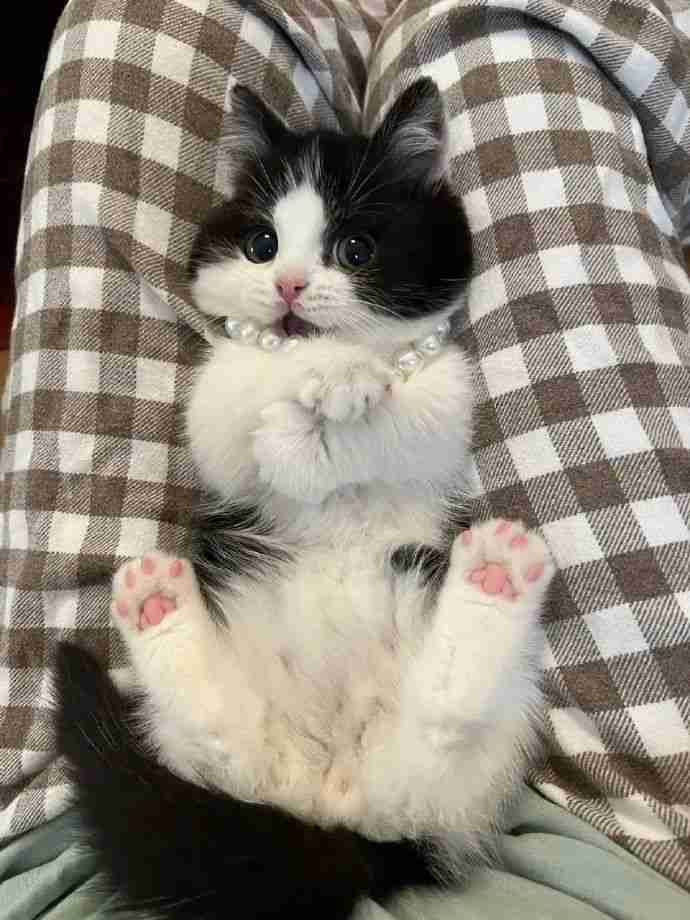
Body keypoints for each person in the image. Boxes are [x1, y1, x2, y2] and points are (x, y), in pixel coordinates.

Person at [1, 0, 689, 916]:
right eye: (262, 246)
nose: (291, 281)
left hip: (328, 706)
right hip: (375, 714)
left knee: (129, 23)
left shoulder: (426, 368)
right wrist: (309, 416)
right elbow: (231, 456)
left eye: (351, 249)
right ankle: (423, 703)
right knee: (492, 693)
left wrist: (323, 429)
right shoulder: (240, 359)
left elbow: (407, 441)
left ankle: (218, 713)